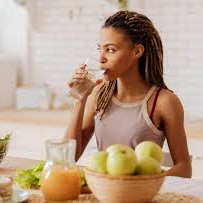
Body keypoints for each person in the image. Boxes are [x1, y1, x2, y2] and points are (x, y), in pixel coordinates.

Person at [66, 10, 192, 178]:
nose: (101, 57)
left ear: (137, 51)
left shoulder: (164, 102)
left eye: (110, 50)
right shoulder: (98, 94)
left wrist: (146, 182)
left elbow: (184, 168)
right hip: (105, 193)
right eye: (100, 49)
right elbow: (68, 157)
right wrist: (80, 99)